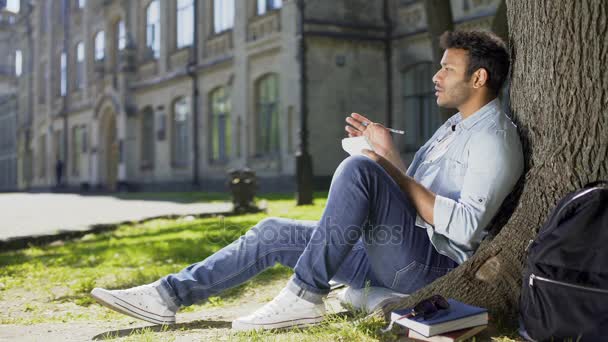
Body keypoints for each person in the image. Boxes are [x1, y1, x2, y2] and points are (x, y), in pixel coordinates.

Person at [91, 30, 523, 331]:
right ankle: (167, 296)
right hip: (397, 247)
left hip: (428, 266)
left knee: (359, 169)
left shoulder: (494, 139)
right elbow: (415, 196)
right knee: (272, 232)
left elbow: (464, 227)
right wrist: (387, 152)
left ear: (478, 78)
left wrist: (380, 166)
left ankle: (304, 294)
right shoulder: (452, 128)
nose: (436, 75)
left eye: (447, 69)